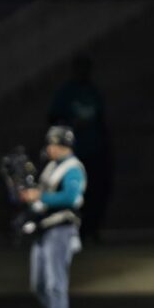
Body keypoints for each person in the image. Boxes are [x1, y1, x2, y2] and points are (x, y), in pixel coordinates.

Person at [20, 126, 85, 308]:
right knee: (38, 285)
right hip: (43, 228)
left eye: (53, 144)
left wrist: (40, 196)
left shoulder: (73, 168)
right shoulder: (51, 166)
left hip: (61, 229)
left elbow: (70, 197)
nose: (49, 148)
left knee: (55, 284)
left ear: (61, 145)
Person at [50, 55, 111, 244]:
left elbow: (101, 120)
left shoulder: (92, 91)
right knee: (73, 194)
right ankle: (72, 231)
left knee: (96, 192)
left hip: (94, 150)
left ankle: (91, 229)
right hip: (73, 154)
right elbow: (53, 117)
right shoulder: (67, 92)